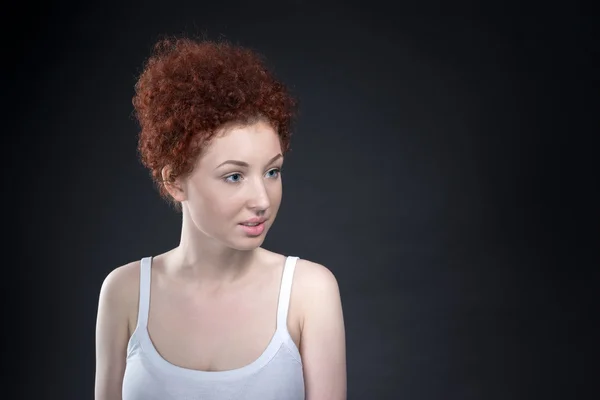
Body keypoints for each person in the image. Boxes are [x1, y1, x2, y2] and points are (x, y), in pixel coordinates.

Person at [94, 36, 347, 400]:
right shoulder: (125, 292)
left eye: (272, 172)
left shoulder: (310, 291)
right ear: (175, 182)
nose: (262, 200)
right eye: (234, 176)